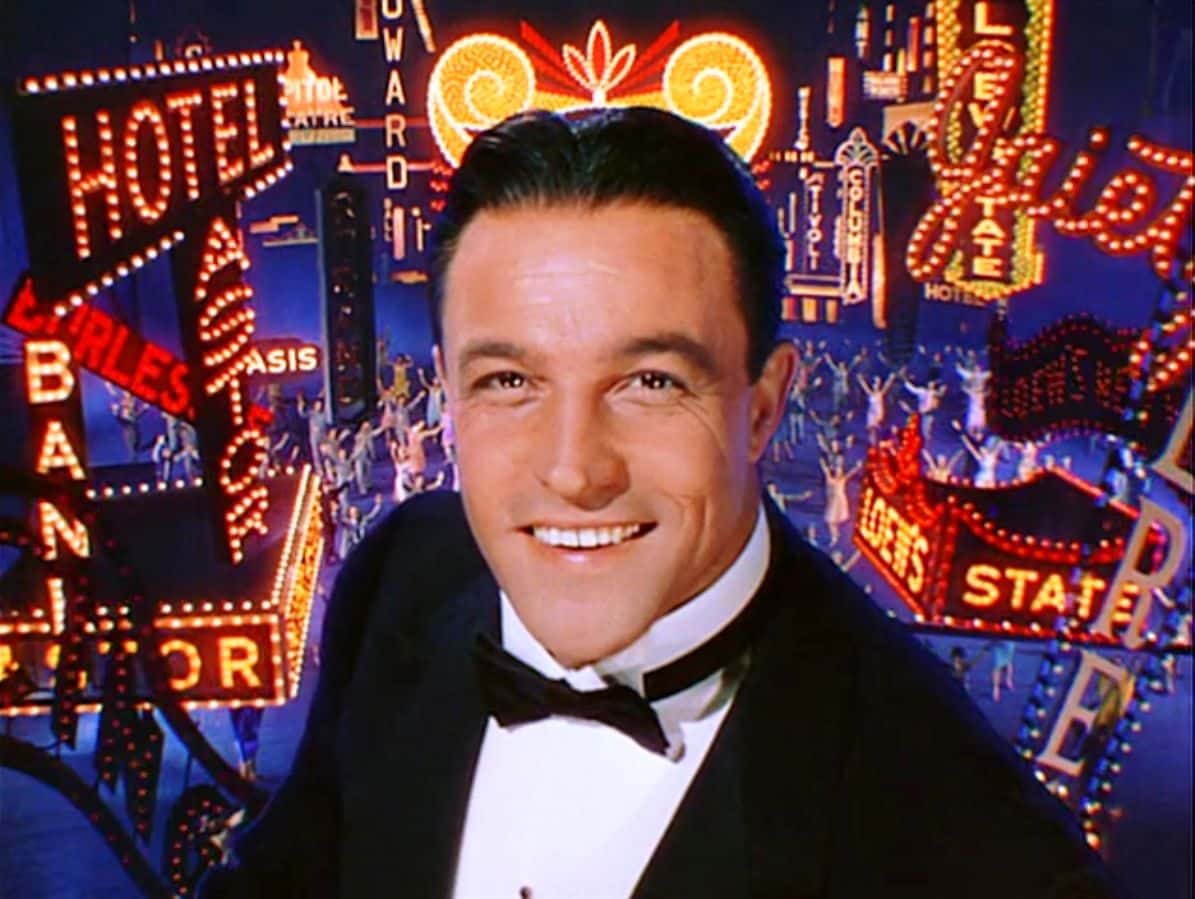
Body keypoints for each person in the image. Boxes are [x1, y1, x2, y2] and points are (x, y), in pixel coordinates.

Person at [201, 108, 1123, 898]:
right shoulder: (403, 575)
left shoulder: (980, 854)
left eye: (649, 381)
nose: (574, 470)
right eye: (509, 380)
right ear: (447, 393)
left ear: (761, 406)